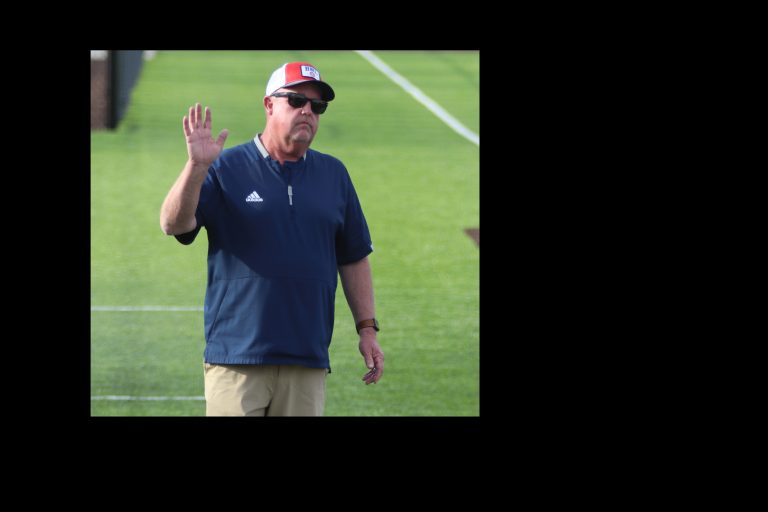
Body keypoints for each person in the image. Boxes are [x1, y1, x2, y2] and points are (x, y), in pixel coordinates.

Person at [159, 61, 384, 416]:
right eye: (296, 101)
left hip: (306, 359)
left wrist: (367, 329)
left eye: (317, 106)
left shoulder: (334, 174)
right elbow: (173, 224)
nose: (307, 111)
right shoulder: (226, 167)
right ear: (268, 105)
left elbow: (353, 256)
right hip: (236, 359)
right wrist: (196, 168)